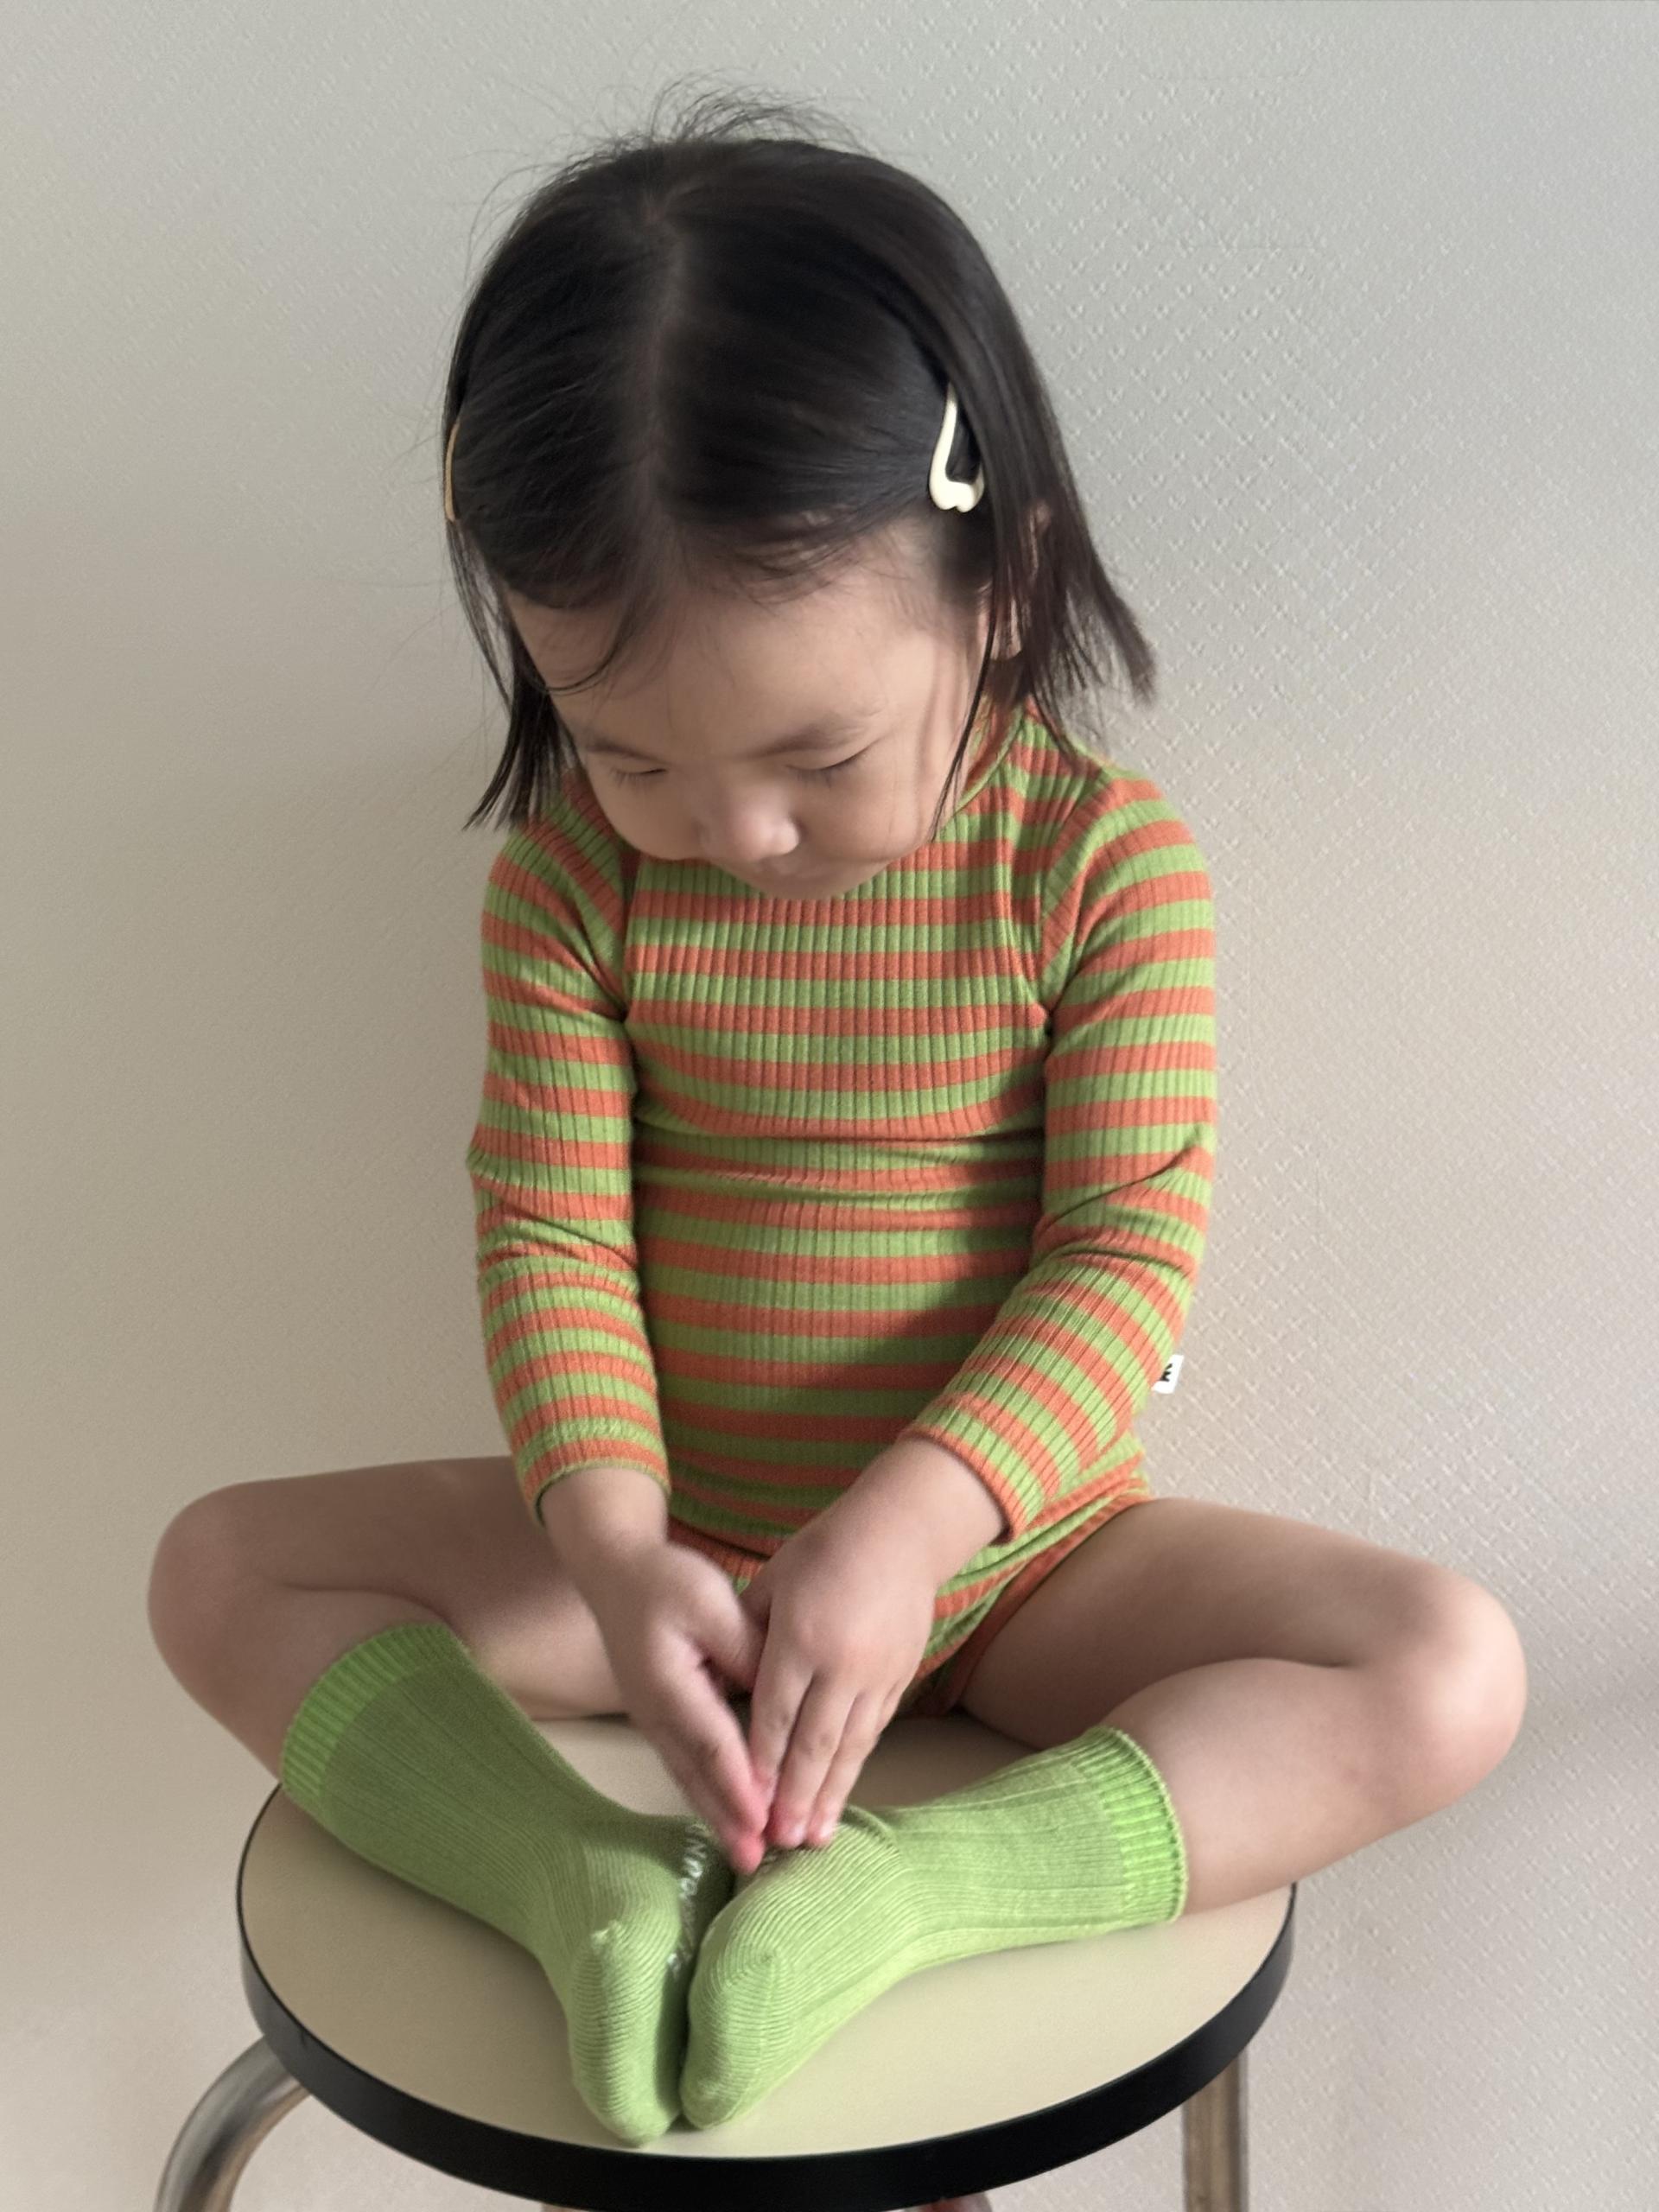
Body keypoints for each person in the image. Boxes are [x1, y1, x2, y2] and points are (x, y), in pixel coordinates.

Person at [147, 85, 1527, 2157]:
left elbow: (1126, 1252)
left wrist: (910, 1531)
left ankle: (916, 1890)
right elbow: (550, 1235)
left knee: (1444, 1666)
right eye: (633, 759)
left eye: (816, 753)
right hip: (681, 1571)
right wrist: (619, 1550)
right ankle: (580, 1875)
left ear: (1001, 583)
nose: (739, 832)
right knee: (216, 1573)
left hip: (1030, 1571)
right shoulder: (570, 889)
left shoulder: (1097, 866)